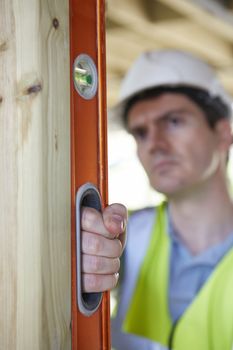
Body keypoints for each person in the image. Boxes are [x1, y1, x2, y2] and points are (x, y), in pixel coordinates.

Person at [81, 50, 233, 350]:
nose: (155, 145)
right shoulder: (121, 238)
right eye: (141, 133)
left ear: (223, 133)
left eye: (174, 121)